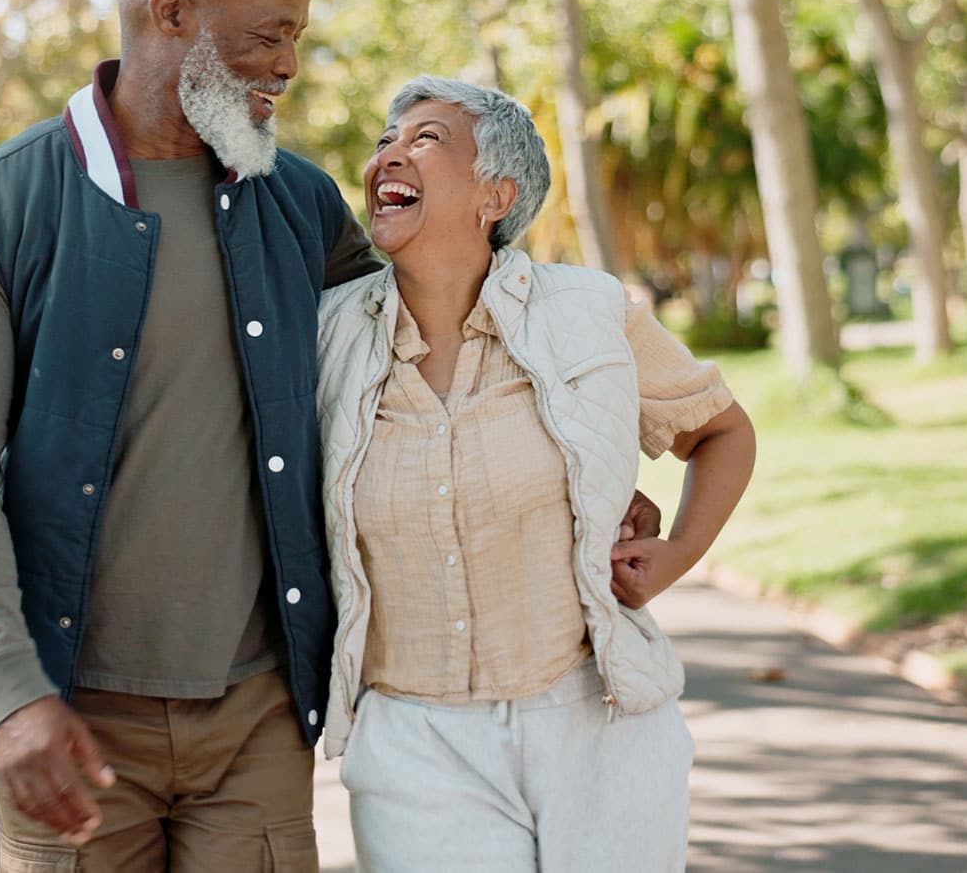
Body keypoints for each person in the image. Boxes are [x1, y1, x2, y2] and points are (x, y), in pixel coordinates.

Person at [0, 0, 661, 873]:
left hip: (257, 711)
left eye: (296, 36)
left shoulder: (301, 201)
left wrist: (573, 457)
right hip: (71, 714)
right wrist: (12, 696)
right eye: (269, 35)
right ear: (168, 12)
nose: (288, 66)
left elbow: (429, 328)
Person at [316, 77, 757, 872]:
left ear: (496, 195)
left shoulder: (590, 311)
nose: (390, 151)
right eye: (386, 138)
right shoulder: (327, 335)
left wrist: (679, 552)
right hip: (413, 739)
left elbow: (721, 430)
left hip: (596, 717)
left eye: (426, 138)